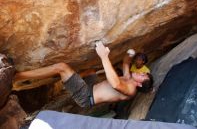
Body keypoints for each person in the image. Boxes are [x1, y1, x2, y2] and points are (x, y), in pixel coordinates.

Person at [13, 41, 151, 108]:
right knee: (91, 70)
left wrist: (104, 56)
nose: (140, 72)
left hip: (86, 96)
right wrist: (132, 52)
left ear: (139, 84)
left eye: (143, 75)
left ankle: (16, 76)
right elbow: (126, 63)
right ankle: (67, 80)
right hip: (93, 85)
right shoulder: (129, 78)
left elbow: (115, 83)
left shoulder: (131, 90)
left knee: (61, 67)